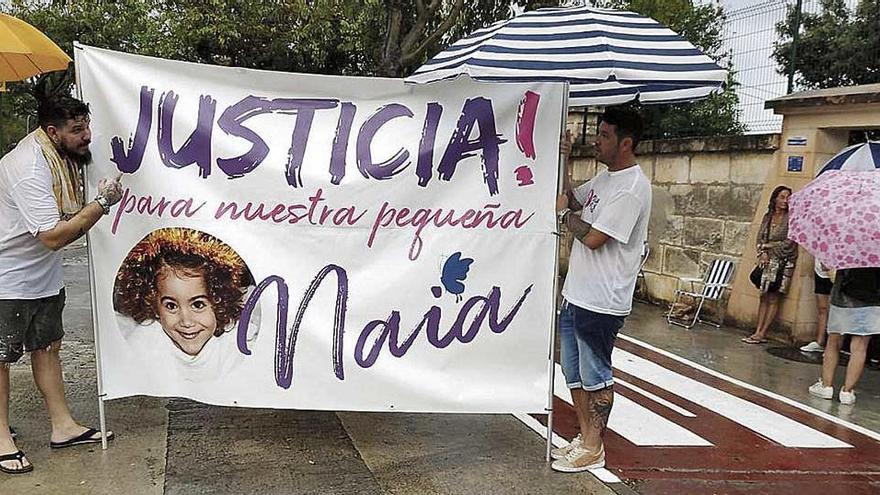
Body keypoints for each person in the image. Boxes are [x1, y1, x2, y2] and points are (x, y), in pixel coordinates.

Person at [0, 96, 123, 474]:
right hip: (8, 277)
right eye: (77, 131)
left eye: (87, 126)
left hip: (43, 274)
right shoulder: (28, 167)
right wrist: (102, 203)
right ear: (52, 132)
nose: (87, 137)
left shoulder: (64, 153)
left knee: (49, 347)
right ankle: (1, 437)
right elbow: (53, 236)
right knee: (0, 358)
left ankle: (63, 426)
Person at [551, 108, 651, 473]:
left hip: (602, 301)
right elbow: (573, 198)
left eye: (605, 135)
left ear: (626, 143)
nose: (597, 139)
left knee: (596, 375)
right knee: (574, 373)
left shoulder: (631, 189)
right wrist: (564, 156)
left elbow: (594, 238)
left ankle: (595, 446)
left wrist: (563, 218)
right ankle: (584, 438)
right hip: (577, 294)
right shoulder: (607, 179)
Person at [113, 227, 255, 381]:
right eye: (171, 306)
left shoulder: (238, 344)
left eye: (198, 305)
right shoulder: (145, 344)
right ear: (154, 306)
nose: (186, 321)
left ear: (220, 303)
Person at [809, 268, 880, 405]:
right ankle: (847, 391)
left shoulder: (846, 248)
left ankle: (826, 386)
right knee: (860, 347)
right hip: (873, 300)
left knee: (834, 342)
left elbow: (827, 265)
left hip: (843, 297)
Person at [742, 185, 797, 344]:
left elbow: (789, 243)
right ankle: (757, 330)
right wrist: (763, 252)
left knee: (774, 296)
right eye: (782, 197)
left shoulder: (791, 219)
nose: (785, 201)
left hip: (783, 262)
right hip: (767, 262)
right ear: (774, 199)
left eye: (788, 197)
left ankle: (763, 333)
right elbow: (760, 239)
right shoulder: (768, 217)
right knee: (763, 295)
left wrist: (769, 247)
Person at [800, 261, 832, 353]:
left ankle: (832, 345)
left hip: (836, 273)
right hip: (820, 271)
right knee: (822, 308)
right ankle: (820, 341)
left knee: (835, 310)